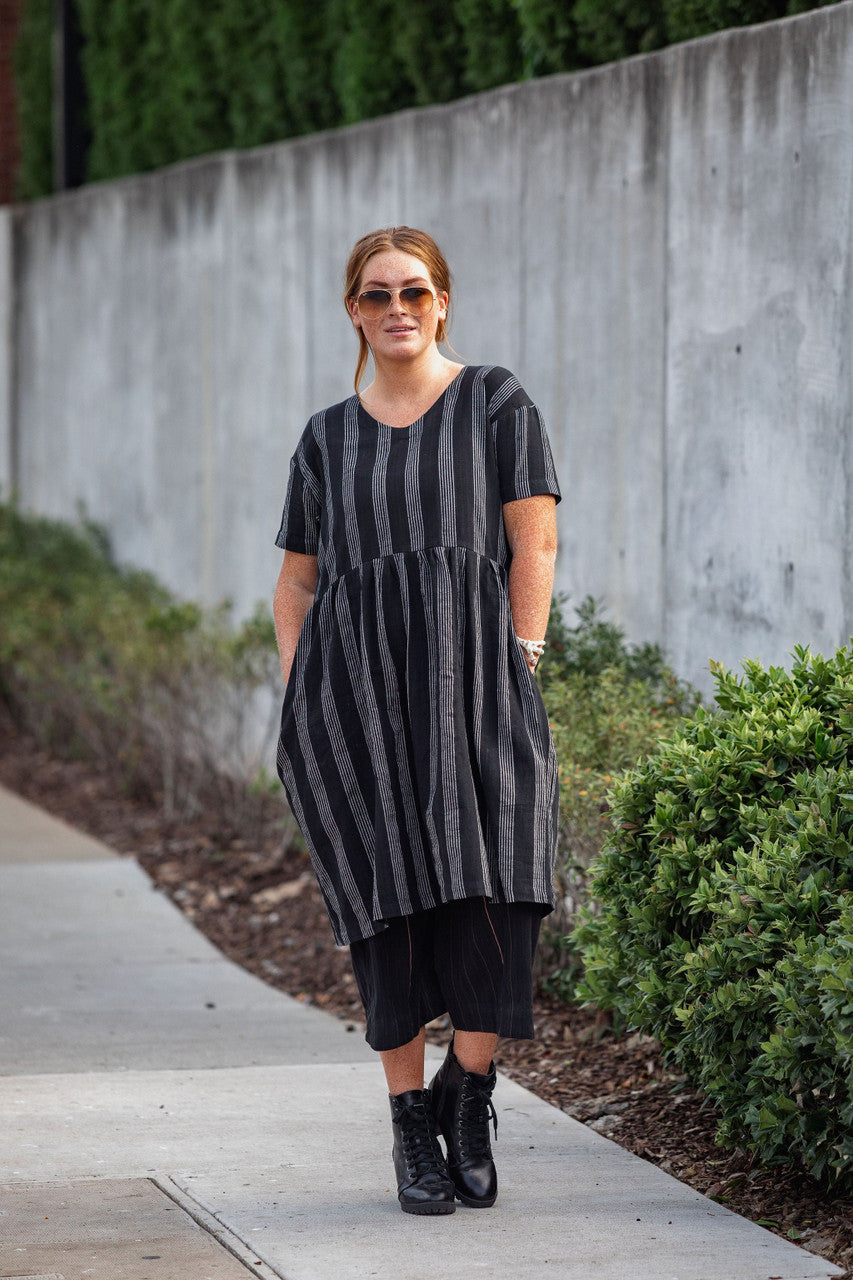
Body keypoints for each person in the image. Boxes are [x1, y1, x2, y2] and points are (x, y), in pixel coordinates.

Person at [272, 226, 561, 1216]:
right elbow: (297, 581)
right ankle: (410, 1124)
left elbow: (535, 539)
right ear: (353, 310)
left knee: (502, 888)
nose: (396, 307)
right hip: (353, 705)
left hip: (480, 686)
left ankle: (469, 1094)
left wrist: (521, 658)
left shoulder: (495, 401)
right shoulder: (325, 436)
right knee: (384, 905)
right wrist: (300, 692)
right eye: (375, 293)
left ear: (442, 300)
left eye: (414, 290)